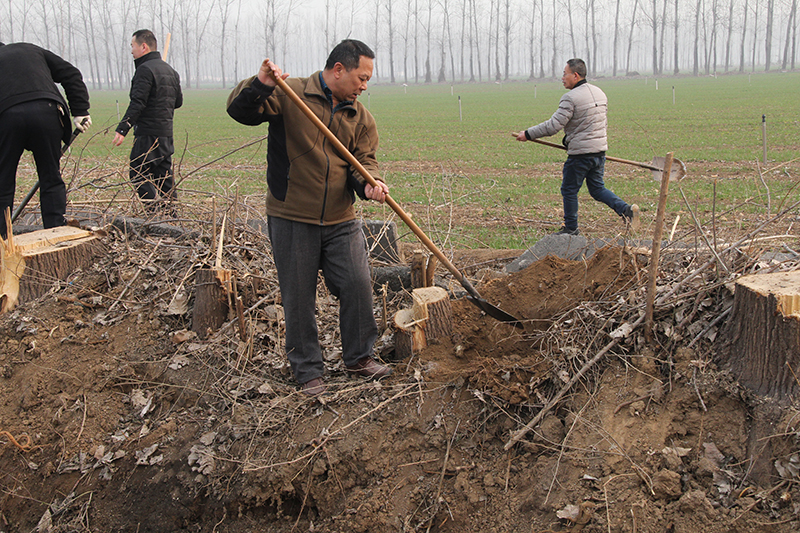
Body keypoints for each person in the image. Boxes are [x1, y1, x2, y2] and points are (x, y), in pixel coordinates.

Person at [227, 39, 393, 396]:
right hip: (292, 214)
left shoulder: (360, 117)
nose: (365, 86)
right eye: (362, 78)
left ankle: (359, 357)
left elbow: (363, 161)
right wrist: (260, 85)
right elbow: (240, 111)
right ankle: (307, 370)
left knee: (357, 283)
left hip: (340, 217)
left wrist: (370, 183)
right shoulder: (291, 93)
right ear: (339, 70)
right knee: (299, 297)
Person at [515, 58, 639, 236]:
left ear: (575, 75)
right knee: (597, 189)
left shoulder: (570, 98)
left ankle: (571, 228)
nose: (562, 78)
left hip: (581, 154)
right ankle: (626, 210)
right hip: (599, 152)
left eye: (564, 74)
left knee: (569, 189)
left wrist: (528, 134)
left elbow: (553, 126)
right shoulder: (599, 93)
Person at [0, 42, 91, 239]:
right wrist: (80, 110)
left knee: (3, 180)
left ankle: (2, 239)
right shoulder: (31, 50)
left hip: (8, 117)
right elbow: (71, 73)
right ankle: (55, 233)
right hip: (47, 113)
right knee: (50, 176)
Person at [113, 29, 182, 215]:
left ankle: (154, 213)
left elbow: (138, 103)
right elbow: (178, 102)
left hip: (148, 133)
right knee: (163, 177)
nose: (131, 50)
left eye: (132, 46)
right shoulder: (171, 71)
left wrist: (123, 128)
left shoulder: (144, 70)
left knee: (137, 173)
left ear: (143, 47)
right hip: (166, 133)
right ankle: (171, 217)